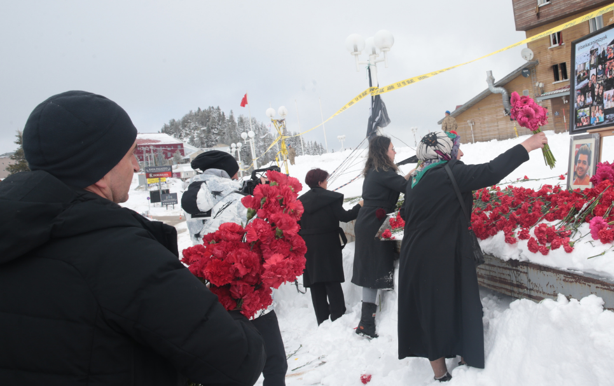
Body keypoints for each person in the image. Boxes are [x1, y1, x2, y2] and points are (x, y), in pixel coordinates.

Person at [0, 91, 265, 385]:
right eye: (130, 156)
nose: (137, 167)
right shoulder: (119, 253)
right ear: (99, 171)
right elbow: (237, 361)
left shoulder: (14, 235)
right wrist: (234, 313)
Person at [398, 130, 550, 382]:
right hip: (444, 255)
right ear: (444, 152)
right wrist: (528, 145)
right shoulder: (450, 173)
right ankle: (465, 360)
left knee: (430, 310)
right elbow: (492, 171)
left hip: (415, 255)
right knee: (459, 301)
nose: (462, 153)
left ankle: (441, 375)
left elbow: (406, 213)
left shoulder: (416, 178)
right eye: (456, 148)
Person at [181, 151, 289, 386]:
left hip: (209, 287)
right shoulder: (235, 198)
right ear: (229, 172)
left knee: (227, 369)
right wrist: (260, 197)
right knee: (275, 362)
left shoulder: (193, 198)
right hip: (246, 290)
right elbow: (259, 233)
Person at [352, 135, 414, 337]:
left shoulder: (376, 171)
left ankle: (365, 323)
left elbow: (398, 184)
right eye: (392, 148)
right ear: (383, 151)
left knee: (371, 268)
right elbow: (406, 187)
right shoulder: (383, 171)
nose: (395, 152)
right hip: (373, 223)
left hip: (369, 220)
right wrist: (417, 175)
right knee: (372, 270)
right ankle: (366, 324)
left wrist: (411, 175)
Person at [298, 168, 362, 325]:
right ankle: (338, 315)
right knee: (331, 279)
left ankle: (322, 318)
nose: (327, 183)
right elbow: (345, 217)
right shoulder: (330, 198)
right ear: (320, 182)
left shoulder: (299, 202)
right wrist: (359, 205)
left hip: (307, 245)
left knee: (315, 281)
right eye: (326, 180)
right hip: (328, 243)